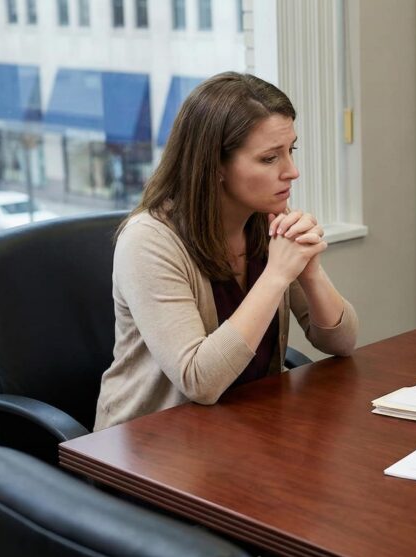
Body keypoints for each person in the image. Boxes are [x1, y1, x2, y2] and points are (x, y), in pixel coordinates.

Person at [95, 72, 358, 430]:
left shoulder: (267, 222)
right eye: (269, 159)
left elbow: (341, 343)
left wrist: (309, 271)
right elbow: (199, 381)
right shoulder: (148, 242)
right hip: (149, 445)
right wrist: (277, 275)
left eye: (290, 151)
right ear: (215, 165)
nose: (292, 172)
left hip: (243, 431)